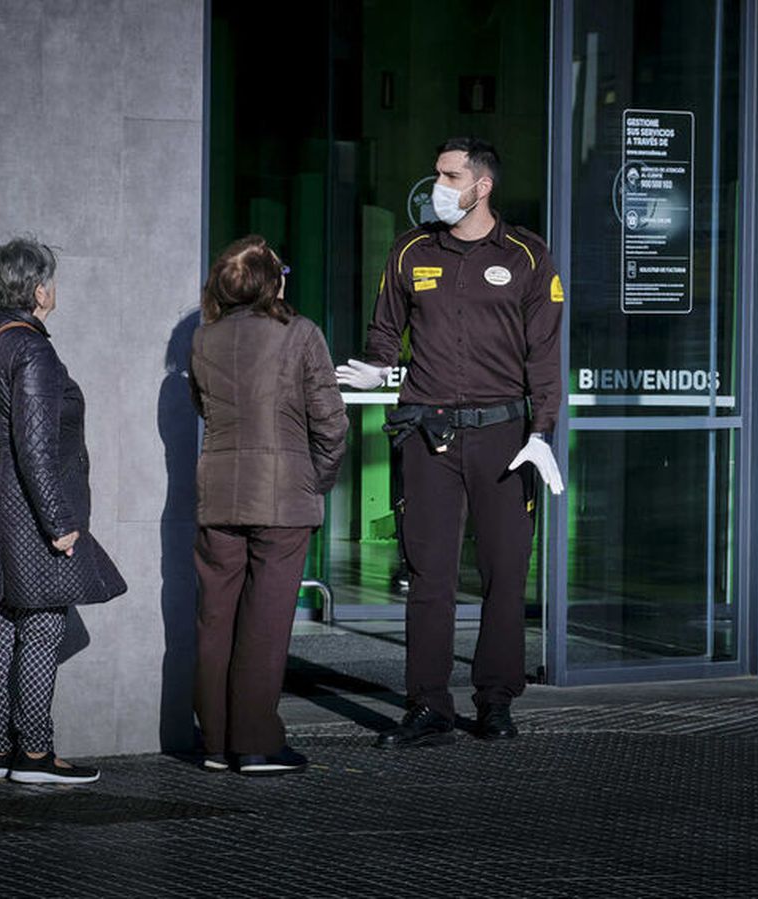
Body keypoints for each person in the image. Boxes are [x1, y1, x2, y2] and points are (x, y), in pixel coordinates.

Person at [336, 138, 565, 748]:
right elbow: (385, 333)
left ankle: (495, 701)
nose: (436, 183)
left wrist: (543, 432)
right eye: (437, 172)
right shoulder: (412, 249)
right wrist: (377, 370)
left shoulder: (527, 256)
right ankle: (428, 707)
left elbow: (545, 356)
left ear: (481, 186)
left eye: (448, 175)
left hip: (504, 439)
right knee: (429, 576)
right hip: (428, 435)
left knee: (504, 574)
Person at [0, 238, 125, 785]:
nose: (54, 288)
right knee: (44, 624)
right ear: (39, 289)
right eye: (51, 279)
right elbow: (36, 447)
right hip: (25, 509)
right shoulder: (32, 349)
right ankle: (35, 756)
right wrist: (61, 524)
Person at [190, 236, 348, 775]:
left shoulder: (202, 339)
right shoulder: (299, 334)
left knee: (216, 620)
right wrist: (316, 481)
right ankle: (255, 742)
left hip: (219, 493)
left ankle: (214, 742)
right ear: (271, 282)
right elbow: (331, 422)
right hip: (282, 498)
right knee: (265, 622)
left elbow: (204, 409)